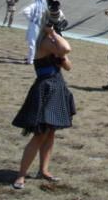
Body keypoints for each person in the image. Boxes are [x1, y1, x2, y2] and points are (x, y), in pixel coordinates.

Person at [11, 17, 75, 190]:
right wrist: (52, 33)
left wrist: (59, 52)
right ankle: (21, 175)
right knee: (40, 134)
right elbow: (66, 48)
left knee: (51, 133)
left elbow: (68, 65)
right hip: (45, 88)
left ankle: (43, 170)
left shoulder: (53, 45)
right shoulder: (44, 41)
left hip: (57, 87)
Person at [22, 0, 47, 64]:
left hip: (34, 26)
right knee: (37, 43)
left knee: (32, 43)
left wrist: (31, 19)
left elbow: (25, 11)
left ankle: (30, 60)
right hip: (41, 27)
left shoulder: (34, 5)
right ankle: (32, 57)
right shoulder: (45, 7)